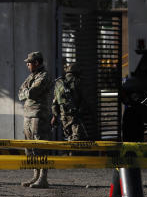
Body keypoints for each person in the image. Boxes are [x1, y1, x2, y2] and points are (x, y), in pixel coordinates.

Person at [18, 51, 54, 189]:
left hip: (39, 115)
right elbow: (20, 92)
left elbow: (32, 92)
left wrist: (26, 92)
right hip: (28, 114)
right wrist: (26, 91)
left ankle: (43, 178)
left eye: (29, 62)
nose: (27, 65)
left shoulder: (44, 76)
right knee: (30, 147)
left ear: (37, 63)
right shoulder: (31, 76)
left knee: (40, 146)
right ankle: (35, 175)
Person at [52, 61, 92, 141]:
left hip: (64, 117)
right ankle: (74, 153)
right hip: (75, 117)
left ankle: (70, 153)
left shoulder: (58, 83)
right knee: (77, 142)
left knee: (68, 139)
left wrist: (55, 116)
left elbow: (54, 103)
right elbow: (85, 100)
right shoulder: (78, 81)